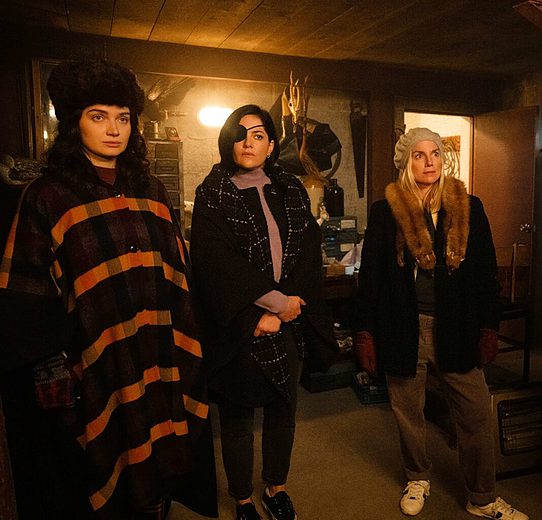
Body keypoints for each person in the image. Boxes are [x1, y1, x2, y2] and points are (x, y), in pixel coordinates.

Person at [0, 59, 214, 519]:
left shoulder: (153, 190)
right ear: (74, 123)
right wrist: (51, 369)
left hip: (159, 348)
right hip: (97, 357)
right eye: (98, 116)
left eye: (123, 117)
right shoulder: (47, 196)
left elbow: (177, 274)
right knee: (104, 458)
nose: (114, 129)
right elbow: (25, 294)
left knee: (162, 445)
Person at [353, 127, 529, 520]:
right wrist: (364, 332)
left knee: (475, 415)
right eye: (418, 155)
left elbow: (485, 273)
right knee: (408, 412)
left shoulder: (468, 207)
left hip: (456, 325)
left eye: (434, 153)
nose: (429, 162)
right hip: (403, 325)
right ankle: (417, 477)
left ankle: (482, 497)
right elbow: (371, 277)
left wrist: (489, 327)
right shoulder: (386, 211)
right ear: (406, 162)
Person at [190, 104, 334, 520]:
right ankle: (242, 499)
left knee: (282, 412)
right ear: (228, 142)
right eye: (240, 134)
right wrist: (265, 308)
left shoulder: (291, 189)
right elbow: (215, 263)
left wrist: (290, 305)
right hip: (239, 323)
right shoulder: (213, 193)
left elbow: (306, 252)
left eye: (258, 135)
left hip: (288, 319)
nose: (248, 143)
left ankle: (276, 488)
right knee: (236, 417)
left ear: (271, 145)